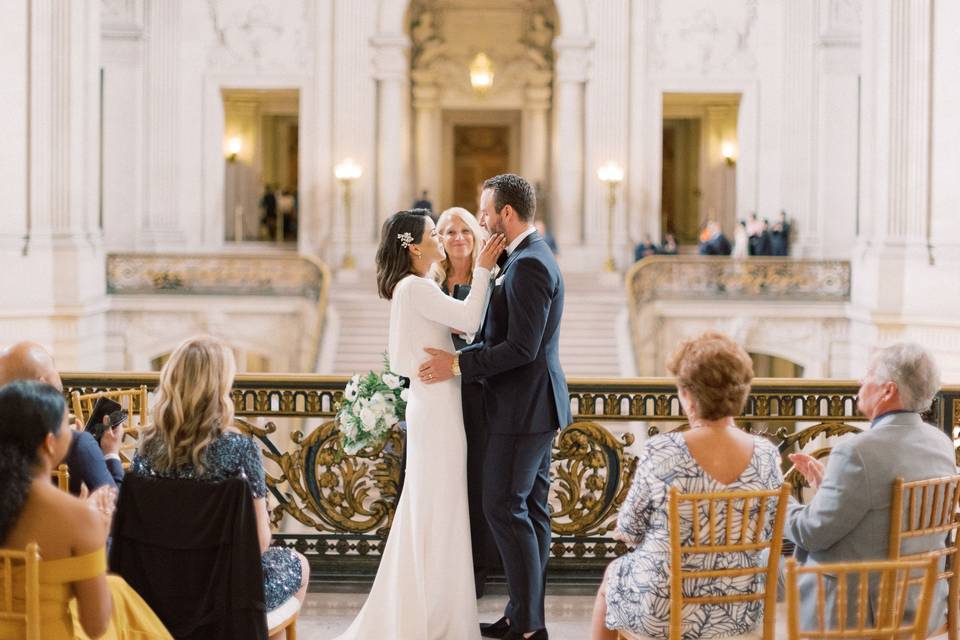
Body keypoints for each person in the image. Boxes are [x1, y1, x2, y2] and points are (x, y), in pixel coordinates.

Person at [333, 209, 506, 639]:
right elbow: (468, 319)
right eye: (434, 234)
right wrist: (483, 270)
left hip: (435, 404)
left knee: (438, 507)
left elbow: (450, 334)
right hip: (435, 409)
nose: (440, 240)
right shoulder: (414, 287)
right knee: (437, 508)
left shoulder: (416, 287)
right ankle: (434, 616)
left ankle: (436, 609)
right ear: (413, 246)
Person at [419, 174, 571, 640]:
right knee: (531, 512)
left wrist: (460, 364)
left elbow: (522, 348)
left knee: (504, 507)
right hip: (532, 406)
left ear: (506, 214)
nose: (481, 221)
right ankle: (524, 615)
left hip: (522, 409)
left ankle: (529, 626)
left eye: (484, 213)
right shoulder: (525, 256)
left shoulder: (528, 265)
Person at [591, 332, 782, 640]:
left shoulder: (662, 451)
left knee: (614, 577)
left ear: (690, 398)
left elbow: (628, 529)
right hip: (739, 608)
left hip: (667, 607)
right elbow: (769, 531)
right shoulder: (767, 455)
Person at [130, 336, 310, 637]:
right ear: (221, 388)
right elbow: (259, 542)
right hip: (226, 596)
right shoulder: (240, 449)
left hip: (159, 592)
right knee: (298, 564)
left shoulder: (146, 447)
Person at [785, 343, 954, 634]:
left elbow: (812, 533)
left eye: (868, 375)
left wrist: (778, 501)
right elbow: (883, 509)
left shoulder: (857, 451)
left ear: (887, 391)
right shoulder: (941, 442)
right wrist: (828, 488)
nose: (860, 382)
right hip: (924, 603)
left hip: (860, 609)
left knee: (766, 561)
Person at [0, 380, 171, 640]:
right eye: (65, 424)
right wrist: (98, 539)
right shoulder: (78, 518)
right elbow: (96, 625)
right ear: (49, 443)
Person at [433, 206, 502, 598]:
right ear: (438, 240)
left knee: (472, 482)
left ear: (475, 238)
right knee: (441, 483)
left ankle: (474, 570)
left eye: (465, 230)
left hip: (476, 396)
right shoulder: (430, 282)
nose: (458, 237)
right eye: (449, 231)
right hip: (439, 396)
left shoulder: (491, 281)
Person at [0, 341, 124, 495]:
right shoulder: (78, 445)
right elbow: (119, 511)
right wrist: (111, 453)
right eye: (54, 368)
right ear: (42, 385)